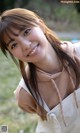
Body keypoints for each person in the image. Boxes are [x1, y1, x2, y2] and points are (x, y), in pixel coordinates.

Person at [0, 8, 80, 133]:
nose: (25, 45)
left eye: (26, 32)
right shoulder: (25, 93)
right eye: (13, 45)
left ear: (41, 25)